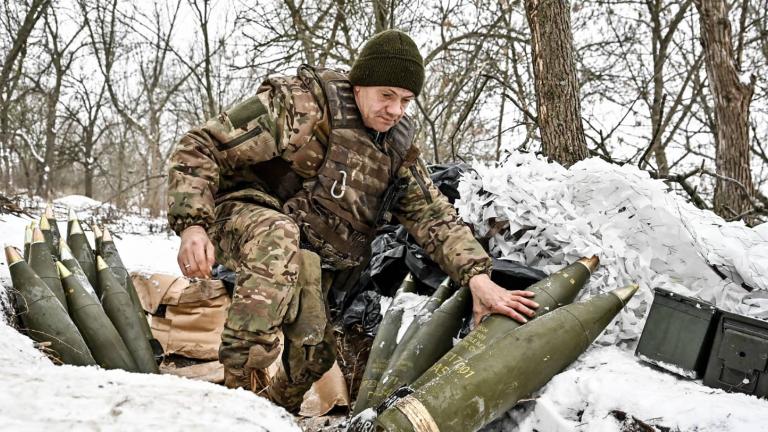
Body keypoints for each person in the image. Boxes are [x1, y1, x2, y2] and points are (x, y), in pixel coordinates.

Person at [166, 29, 538, 411]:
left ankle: (276, 412)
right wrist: (192, 224)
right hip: (242, 217)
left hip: (304, 253)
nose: (395, 110)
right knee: (277, 234)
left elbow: (434, 216)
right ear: (359, 86)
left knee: (315, 354)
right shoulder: (301, 106)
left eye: (406, 100)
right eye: (386, 95)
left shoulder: (396, 149)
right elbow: (201, 145)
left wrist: (477, 277)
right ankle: (236, 401)